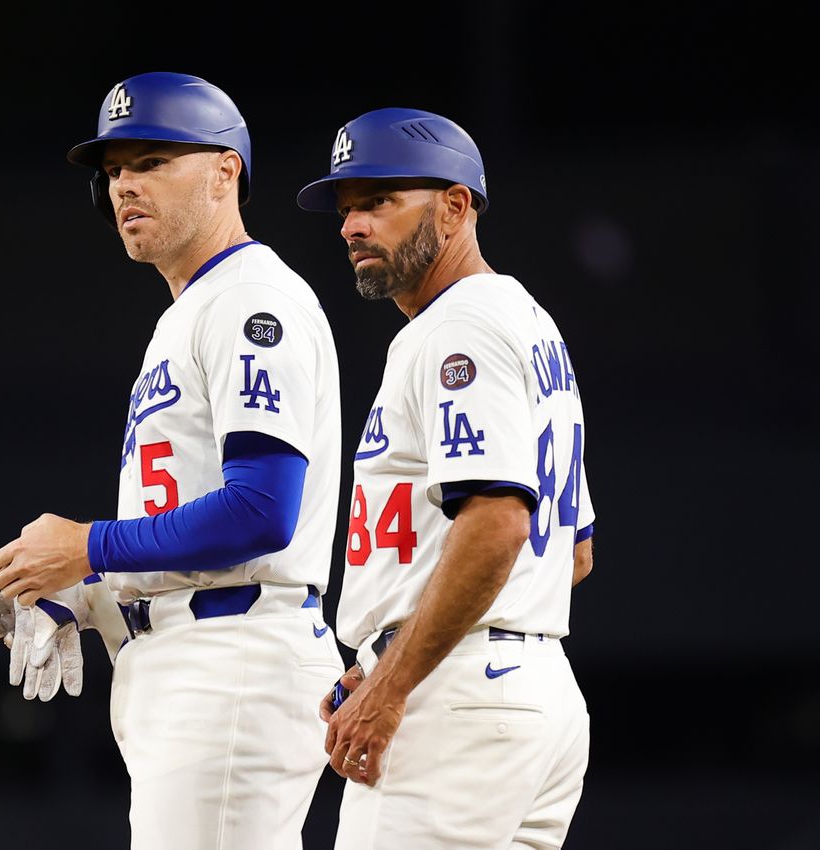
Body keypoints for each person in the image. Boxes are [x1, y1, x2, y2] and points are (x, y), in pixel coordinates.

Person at [0, 72, 345, 850]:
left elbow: (262, 510)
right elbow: (200, 507)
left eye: (151, 161)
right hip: (191, 657)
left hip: (233, 656)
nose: (124, 187)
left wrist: (87, 546)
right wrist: (93, 585)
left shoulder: (249, 301)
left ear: (224, 170)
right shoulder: (194, 309)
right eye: (113, 172)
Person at [296, 108, 597, 850]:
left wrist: (395, 681)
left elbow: (497, 521)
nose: (352, 226)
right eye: (346, 208)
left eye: (378, 202)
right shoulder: (528, 322)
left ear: (456, 207)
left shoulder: (457, 328)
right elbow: (575, 556)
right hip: (530, 692)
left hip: (458, 702)